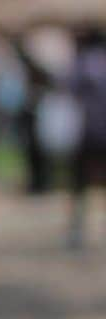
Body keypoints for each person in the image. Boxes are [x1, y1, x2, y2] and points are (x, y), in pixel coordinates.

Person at [66, 27, 106, 248]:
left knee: (79, 183)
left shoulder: (82, 63)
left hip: (89, 130)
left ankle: (77, 230)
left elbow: (69, 89)